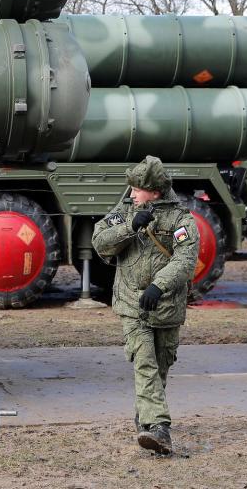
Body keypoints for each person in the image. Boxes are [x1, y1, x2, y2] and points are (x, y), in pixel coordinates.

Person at [92, 156, 200, 456]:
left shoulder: (181, 219)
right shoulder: (125, 210)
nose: (131, 194)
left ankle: (146, 418)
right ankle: (160, 428)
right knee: (145, 361)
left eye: (137, 188)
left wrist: (159, 285)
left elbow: (185, 260)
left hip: (166, 305)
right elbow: (100, 242)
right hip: (130, 303)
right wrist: (129, 226)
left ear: (153, 190)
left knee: (161, 364)